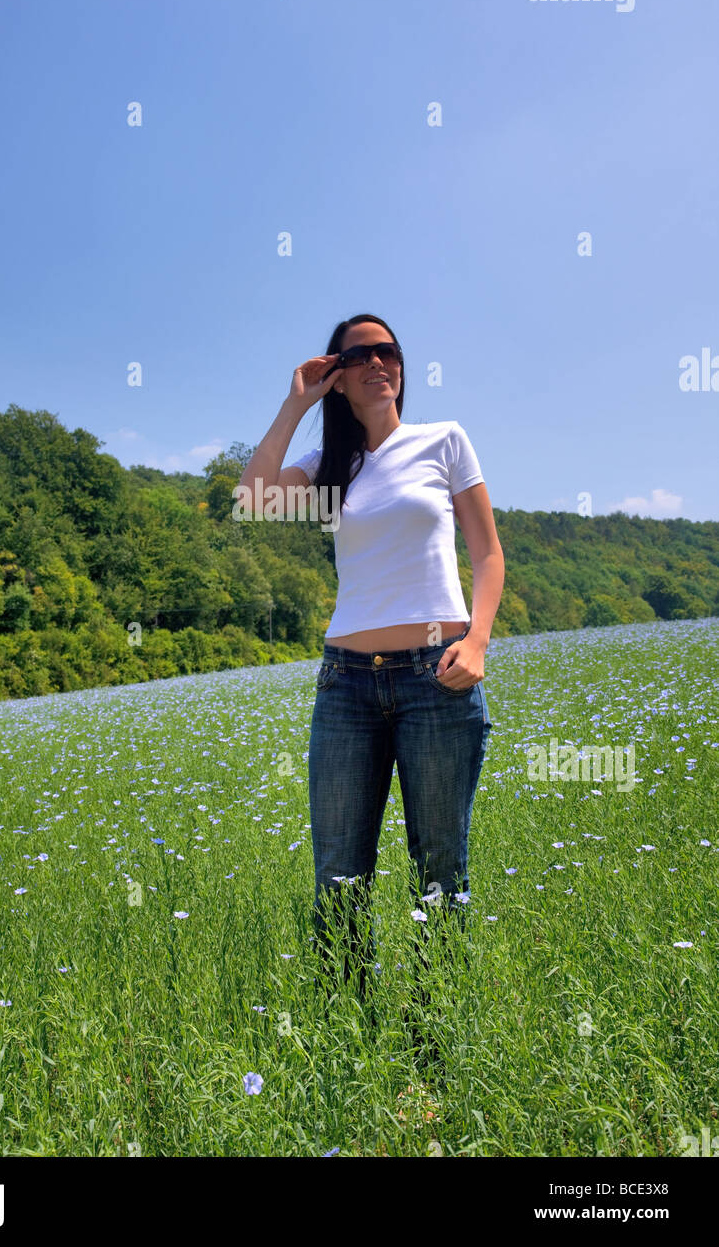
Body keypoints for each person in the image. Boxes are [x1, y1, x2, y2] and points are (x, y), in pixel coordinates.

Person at [239, 313, 504, 1055]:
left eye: (387, 352)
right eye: (358, 355)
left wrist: (478, 641)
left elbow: (487, 555)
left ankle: (434, 1048)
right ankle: (349, 1046)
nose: (377, 363)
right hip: (346, 687)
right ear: (337, 373)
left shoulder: (444, 441)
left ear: (400, 366)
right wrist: (293, 403)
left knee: (441, 870)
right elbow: (252, 498)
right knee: (338, 877)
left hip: (438, 679)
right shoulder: (332, 468)